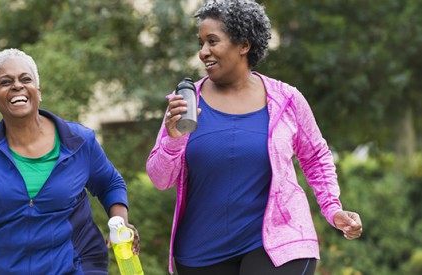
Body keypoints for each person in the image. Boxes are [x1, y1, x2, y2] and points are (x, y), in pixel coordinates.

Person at [146, 1, 363, 274]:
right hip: (200, 253)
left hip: (278, 245)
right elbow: (160, 179)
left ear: (244, 45)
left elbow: (316, 157)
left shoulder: (287, 100)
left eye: (212, 41)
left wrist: (332, 208)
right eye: (200, 43)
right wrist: (173, 138)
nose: (203, 52)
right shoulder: (185, 103)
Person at [0, 48, 139, 275]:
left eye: (25, 79)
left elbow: (110, 184)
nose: (17, 86)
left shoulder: (78, 141)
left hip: (78, 266)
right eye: (5, 82)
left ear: (38, 92)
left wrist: (119, 223)